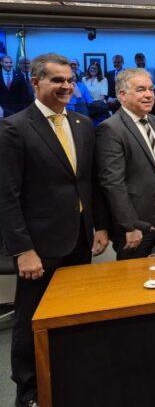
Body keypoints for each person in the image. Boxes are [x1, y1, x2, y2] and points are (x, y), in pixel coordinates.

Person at [0, 53, 108, 407]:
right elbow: (7, 196)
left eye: (70, 80)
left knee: (75, 313)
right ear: (36, 83)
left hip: (79, 238)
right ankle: (28, 391)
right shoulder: (14, 128)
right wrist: (22, 250)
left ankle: (68, 378)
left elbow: (88, 182)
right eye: (57, 80)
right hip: (39, 245)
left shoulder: (82, 123)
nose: (66, 86)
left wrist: (100, 226)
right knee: (31, 320)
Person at [96, 68, 155, 259]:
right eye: (140, 89)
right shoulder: (111, 129)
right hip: (138, 225)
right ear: (122, 95)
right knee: (137, 276)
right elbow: (113, 184)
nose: (149, 95)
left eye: (151, 89)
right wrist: (130, 225)